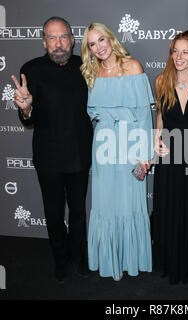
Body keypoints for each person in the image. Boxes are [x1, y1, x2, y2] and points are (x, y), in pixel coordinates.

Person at [12, 17, 93, 284]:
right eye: (52, 38)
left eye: (63, 37)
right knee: (54, 213)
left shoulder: (87, 67)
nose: (58, 44)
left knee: (79, 212)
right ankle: (60, 261)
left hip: (80, 154)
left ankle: (79, 258)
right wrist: (25, 107)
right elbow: (28, 118)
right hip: (48, 157)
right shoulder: (31, 70)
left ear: (72, 39)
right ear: (44, 41)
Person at [80, 22, 153, 281]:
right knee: (105, 203)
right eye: (92, 44)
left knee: (128, 201)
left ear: (111, 39)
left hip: (130, 142)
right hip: (103, 144)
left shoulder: (132, 66)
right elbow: (93, 115)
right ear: (88, 49)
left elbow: (145, 117)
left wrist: (144, 156)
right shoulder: (92, 73)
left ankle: (129, 259)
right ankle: (110, 261)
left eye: (101, 40)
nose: (98, 47)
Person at [152, 30, 188, 284]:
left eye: (185, 51)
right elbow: (161, 116)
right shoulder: (161, 81)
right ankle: (169, 261)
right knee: (169, 207)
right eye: (175, 51)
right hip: (168, 155)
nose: (178, 56)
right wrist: (156, 137)